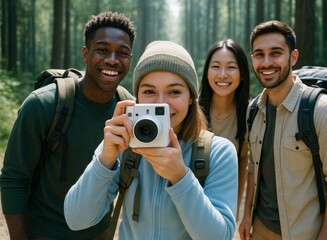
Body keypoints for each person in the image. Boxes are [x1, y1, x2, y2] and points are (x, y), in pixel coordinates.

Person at [64, 40, 238, 240]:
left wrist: (181, 178)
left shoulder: (218, 152)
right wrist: (105, 159)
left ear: (191, 97)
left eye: (174, 92)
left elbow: (220, 237)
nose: (161, 102)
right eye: (149, 91)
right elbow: (76, 219)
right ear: (136, 97)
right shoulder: (123, 143)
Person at [0, 12, 136, 240]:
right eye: (102, 50)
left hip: (99, 233)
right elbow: (14, 179)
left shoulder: (129, 110)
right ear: (85, 54)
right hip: (44, 233)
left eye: (122, 53)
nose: (112, 59)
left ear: (130, 59)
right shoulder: (43, 105)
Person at [239, 20, 327, 240]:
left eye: (275, 53)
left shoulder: (326, 112)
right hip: (260, 229)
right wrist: (246, 216)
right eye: (259, 54)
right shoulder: (253, 109)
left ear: (293, 57)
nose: (266, 62)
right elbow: (254, 168)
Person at [198, 39, 250, 228]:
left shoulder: (249, 113)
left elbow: (243, 159)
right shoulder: (191, 110)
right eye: (216, 67)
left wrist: (236, 206)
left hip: (223, 200)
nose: (222, 75)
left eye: (231, 67)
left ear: (242, 74)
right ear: (207, 73)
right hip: (192, 197)